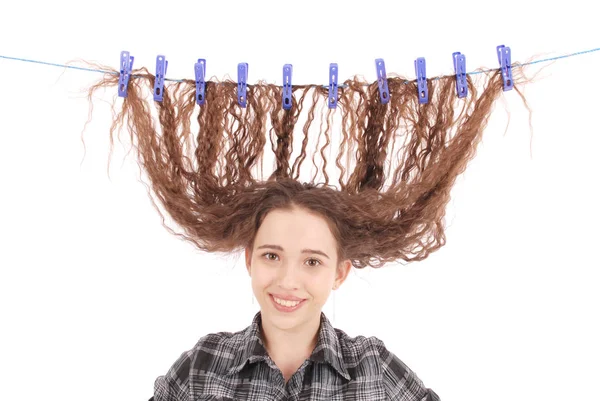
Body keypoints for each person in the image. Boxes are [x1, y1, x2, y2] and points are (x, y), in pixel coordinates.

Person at [151, 204, 441, 400]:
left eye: (312, 261)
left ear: (340, 273)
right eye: (272, 256)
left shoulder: (373, 366)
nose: (288, 281)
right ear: (250, 259)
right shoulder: (203, 364)